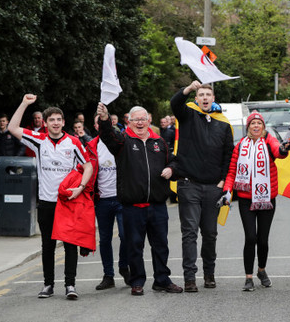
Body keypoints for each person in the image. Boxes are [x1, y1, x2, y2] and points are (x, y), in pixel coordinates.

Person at [8, 94, 93, 300]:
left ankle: (70, 285)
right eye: (51, 120)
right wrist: (25, 103)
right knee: (48, 245)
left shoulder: (73, 143)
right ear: (45, 124)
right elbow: (12, 128)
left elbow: (88, 165)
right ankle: (48, 285)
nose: (55, 123)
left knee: (70, 245)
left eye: (58, 119)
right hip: (46, 203)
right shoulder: (38, 140)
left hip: (68, 202)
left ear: (64, 122)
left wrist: (80, 188)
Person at [97, 103, 183, 296]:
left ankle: (162, 279)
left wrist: (172, 170)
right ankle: (137, 281)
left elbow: (176, 161)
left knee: (161, 245)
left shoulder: (159, 142)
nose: (140, 123)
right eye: (136, 119)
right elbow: (107, 136)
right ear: (129, 121)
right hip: (132, 207)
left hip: (158, 205)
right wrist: (104, 119)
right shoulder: (123, 141)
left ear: (149, 120)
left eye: (143, 119)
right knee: (134, 246)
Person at [170, 81, 234, 292]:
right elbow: (175, 103)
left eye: (208, 95)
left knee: (210, 234)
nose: (205, 98)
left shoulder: (223, 125)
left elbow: (228, 155)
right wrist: (188, 89)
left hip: (213, 187)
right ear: (196, 99)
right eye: (201, 95)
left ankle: (209, 274)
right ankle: (190, 278)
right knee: (189, 233)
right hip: (189, 185)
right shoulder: (188, 115)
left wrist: (223, 181)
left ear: (213, 99)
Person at [223, 111, 290, 291]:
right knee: (250, 238)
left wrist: (285, 148)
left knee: (263, 240)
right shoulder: (240, 146)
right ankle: (248, 277)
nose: (256, 126)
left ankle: (261, 270)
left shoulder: (269, 141)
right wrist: (227, 191)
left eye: (259, 123)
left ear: (263, 127)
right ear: (248, 127)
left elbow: (279, 151)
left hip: (266, 200)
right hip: (246, 199)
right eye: (252, 123)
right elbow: (232, 172)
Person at [86, 115, 130, 290]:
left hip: (121, 198)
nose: (100, 125)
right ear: (96, 126)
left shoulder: (122, 141)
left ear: (110, 123)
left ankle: (124, 267)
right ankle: (108, 275)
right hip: (102, 199)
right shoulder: (91, 145)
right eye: (97, 123)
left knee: (125, 235)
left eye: (103, 121)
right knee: (104, 239)